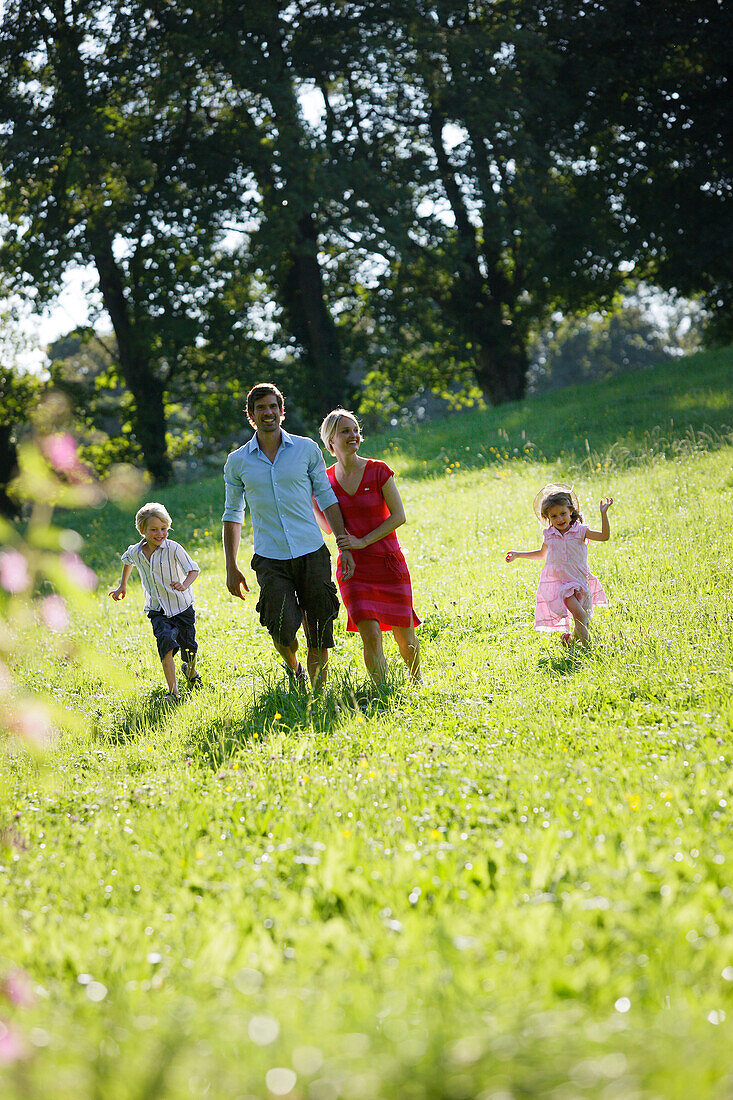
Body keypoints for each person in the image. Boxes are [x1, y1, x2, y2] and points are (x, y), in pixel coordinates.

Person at [222, 383, 355, 691]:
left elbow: (325, 495)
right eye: (260, 408)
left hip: (311, 551)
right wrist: (231, 565)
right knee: (280, 628)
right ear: (251, 415)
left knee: (320, 627)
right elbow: (232, 513)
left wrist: (343, 543)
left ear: (282, 411)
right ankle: (294, 668)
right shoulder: (238, 461)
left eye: (272, 406)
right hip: (271, 557)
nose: (267, 412)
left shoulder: (306, 449)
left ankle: (317, 693)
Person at [317, 408, 421, 684]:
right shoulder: (324, 481)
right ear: (331, 443)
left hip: (388, 562)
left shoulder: (378, 470)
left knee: (404, 635)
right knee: (371, 634)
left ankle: (416, 681)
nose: (353, 435)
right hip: (353, 569)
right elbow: (327, 527)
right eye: (345, 431)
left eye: (355, 430)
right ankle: (383, 690)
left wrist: (363, 540)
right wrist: (309, 496)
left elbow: (399, 516)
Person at [109, 502, 201, 702]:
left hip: (181, 607)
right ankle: (173, 693)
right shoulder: (136, 551)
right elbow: (126, 561)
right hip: (157, 609)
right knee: (165, 645)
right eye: (154, 530)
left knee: (189, 649)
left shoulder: (174, 548)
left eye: (164, 529)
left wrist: (184, 584)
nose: (160, 534)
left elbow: (193, 570)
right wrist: (122, 586)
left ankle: (191, 672)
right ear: (142, 530)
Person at [505, 483, 612, 646]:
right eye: (554, 516)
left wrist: (603, 514)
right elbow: (542, 554)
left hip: (581, 581)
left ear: (571, 512)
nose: (559, 519)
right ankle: (588, 651)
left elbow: (604, 536)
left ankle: (570, 640)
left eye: (563, 513)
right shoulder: (550, 535)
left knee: (583, 621)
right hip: (562, 585)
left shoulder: (580, 531)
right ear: (548, 518)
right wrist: (519, 554)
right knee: (581, 616)